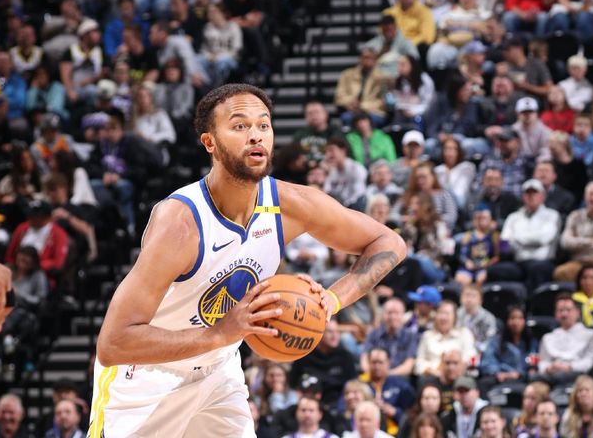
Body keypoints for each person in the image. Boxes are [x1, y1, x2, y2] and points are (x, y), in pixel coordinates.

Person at [88, 84, 405, 437]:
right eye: (240, 126)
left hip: (218, 373)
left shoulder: (289, 204)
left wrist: (330, 302)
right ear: (210, 143)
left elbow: (388, 242)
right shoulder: (180, 224)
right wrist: (220, 332)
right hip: (146, 378)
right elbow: (114, 343)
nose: (255, 136)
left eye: (263, 125)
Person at [490, 178, 560, 291]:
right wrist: (531, 239)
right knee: (495, 271)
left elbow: (543, 239)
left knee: (537, 269)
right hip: (518, 261)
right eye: (528, 193)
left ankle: (534, 306)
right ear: (523, 197)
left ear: (543, 196)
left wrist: (517, 238)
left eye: (535, 193)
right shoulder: (513, 217)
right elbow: (504, 244)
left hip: (542, 261)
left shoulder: (552, 215)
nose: (531, 196)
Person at [554, 182, 593, 281]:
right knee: (560, 273)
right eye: (591, 194)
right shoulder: (574, 216)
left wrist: (578, 240)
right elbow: (565, 242)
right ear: (585, 197)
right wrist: (592, 240)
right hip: (578, 261)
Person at [537, 294, 593, 384]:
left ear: (577, 312)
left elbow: (590, 361)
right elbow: (543, 362)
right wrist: (548, 368)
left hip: (577, 375)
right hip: (551, 375)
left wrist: (570, 366)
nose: (564, 314)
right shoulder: (547, 337)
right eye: (560, 310)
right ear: (556, 314)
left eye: (568, 310)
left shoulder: (590, 334)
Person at [415, 301, 477, 379]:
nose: (443, 317)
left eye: (447, 314)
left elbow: (472, 357)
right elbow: (419, 362)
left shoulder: (464, 333)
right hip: (433, 376)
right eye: (440, 313)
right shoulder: (427, 336)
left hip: (460, 376)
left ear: (454, 317)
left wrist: (456, 366)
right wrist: (431, 370)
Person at [479, 305, 538, 385]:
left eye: (520, 318)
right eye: (512, 318)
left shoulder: (531, 342)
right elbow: (488, 361)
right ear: (506, 320)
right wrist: (499, 373)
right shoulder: (496, 341)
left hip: (523, 378)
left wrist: (522, 373)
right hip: (500, 377)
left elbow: (533, 362)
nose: (516, 322)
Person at [362, 298, 419, 378]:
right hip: (374, 378)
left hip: (399, 378)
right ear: (383, 315)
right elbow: (364, 360)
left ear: (403, 315)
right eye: (389, 313)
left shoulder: (410, 336)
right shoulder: (373, 334)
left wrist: (387, 375)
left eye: (396, 313)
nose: (392, 316)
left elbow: (408, 366)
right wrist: (374, 375)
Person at [454, 206, 501, 287]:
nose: (481, 221)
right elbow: (462, 254)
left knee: (482, 278)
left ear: (491, 220)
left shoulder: (495, 236)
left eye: (484, 218)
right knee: (461, 279)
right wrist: (466, 262)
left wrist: (488, 263)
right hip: (469, 266)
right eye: (478, 218)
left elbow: (499, 256)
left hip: (486, 266)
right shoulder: (467, 236)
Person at [456, 286, 497, 353]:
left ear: (480, 300)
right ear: (460, 298)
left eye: (473, 296)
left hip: (481, 352)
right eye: (466, 295)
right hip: (458, 351)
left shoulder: (488, 318)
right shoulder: (454, 315)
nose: (469, 299)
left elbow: (491, 342)